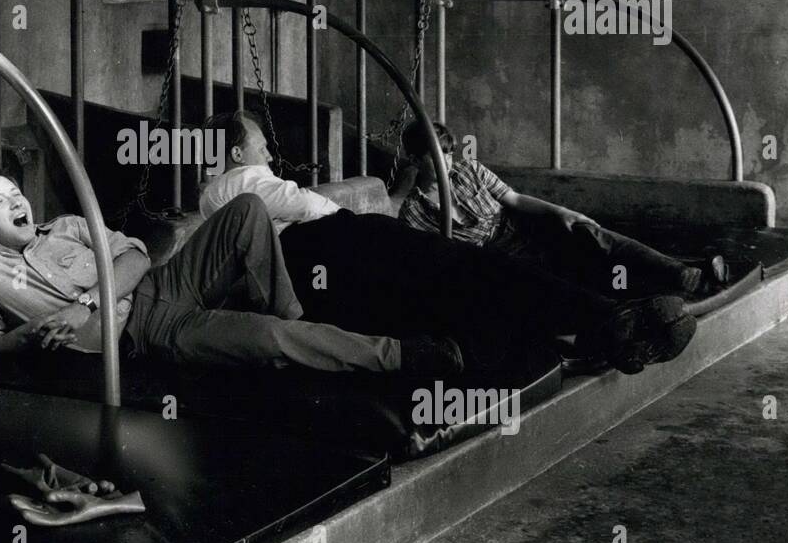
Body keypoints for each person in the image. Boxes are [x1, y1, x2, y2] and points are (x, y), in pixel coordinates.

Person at [198, 111, 697, 376]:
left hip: (328, 259)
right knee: (467, 273)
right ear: (238, 150)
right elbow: (303, 204)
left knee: (460, 287)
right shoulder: (236, 182)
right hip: (327, 246)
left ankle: (600, 326)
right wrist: (343, 211)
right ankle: (605, 319)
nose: (268, 146)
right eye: (260, 140)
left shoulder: (227, 192)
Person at [0, 163, 464, 379]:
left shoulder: (64, 225)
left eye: (16, 192)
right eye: (2, 201)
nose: (18, 202)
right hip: (147, 330)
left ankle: (296, 321)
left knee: (246, 208)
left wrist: (83, 303)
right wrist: (30, 335)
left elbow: (135, 257)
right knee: (268, 337)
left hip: (163, 283)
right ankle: (399, 357)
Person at [397, 119, 729, 298]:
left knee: (592, 236)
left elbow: (513, 199)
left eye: (449, 152)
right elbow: (445, 262)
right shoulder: (413, 214)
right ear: (415, 160)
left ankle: (683, 273)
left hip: (519, 228)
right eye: (437, 155)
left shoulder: (468, 169)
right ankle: (665, 293)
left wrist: (562, 213)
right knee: (576, 276)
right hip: (496, 258)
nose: (448, 161)